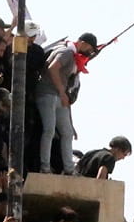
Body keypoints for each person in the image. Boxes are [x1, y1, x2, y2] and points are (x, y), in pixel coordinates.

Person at [36, 32, 100, 174]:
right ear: (82, 43)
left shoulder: (74, 57)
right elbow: (53, 68)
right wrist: (61, 91)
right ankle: (45, 166)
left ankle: (69, 169)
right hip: (48, 93)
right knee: (49, 130)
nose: (90, 52)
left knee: (67, 132)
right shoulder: (66, 52)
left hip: (59, 97)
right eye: (90, 47)